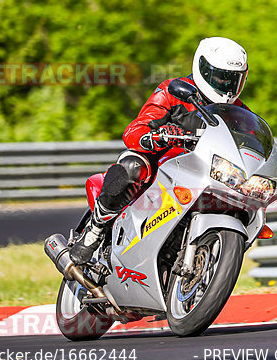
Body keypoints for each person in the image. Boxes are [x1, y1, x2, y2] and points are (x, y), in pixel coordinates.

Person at [69, 37, 250, 264]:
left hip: (203, 170)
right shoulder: (173, 91)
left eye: (232, 79)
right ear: (202, 68)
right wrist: (156, 136)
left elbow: (249, 139)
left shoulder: (238, 111)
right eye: (220, 76)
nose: (226, 84)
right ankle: (95, 230)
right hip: (161, 161)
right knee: (131, 167)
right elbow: (135, 130)